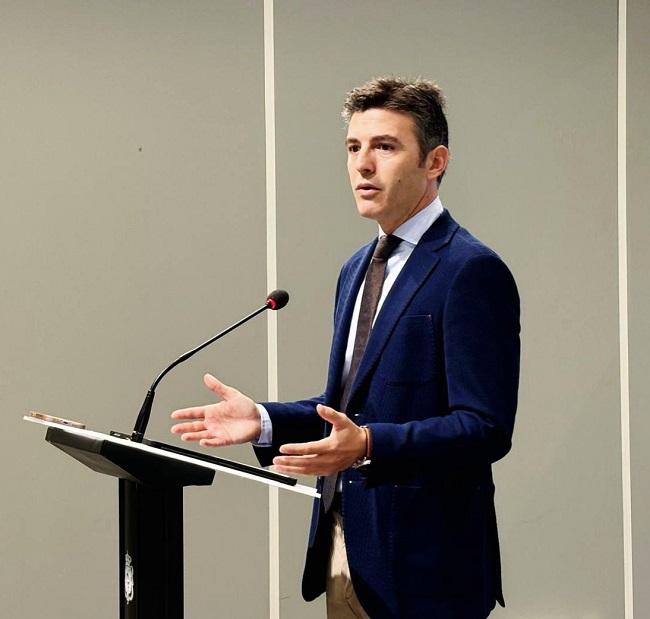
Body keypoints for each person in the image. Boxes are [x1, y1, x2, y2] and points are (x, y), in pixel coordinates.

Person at [171, 77, 520, 619]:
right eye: (354, 147)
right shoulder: (356, 269)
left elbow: (484, 427)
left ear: (435, 161)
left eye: (385, 146)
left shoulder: (469, 270)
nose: (362, 165)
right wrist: (263, 420)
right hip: (346, 552)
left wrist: (367, 445)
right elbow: (351, 410)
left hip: (428, 571)